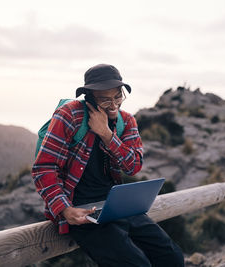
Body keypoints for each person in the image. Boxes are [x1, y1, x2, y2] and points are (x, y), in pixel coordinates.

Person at [32, 64, 184, 267]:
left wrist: (107, 134)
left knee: (171, 257)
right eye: (105, 99)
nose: (114, 105)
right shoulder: (69, 115)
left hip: (116, 205)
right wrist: (65, 210)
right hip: (82, 212)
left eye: (118, 97)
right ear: (90, 97)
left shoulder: (126, 121)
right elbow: (44, 167)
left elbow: (134, 166)